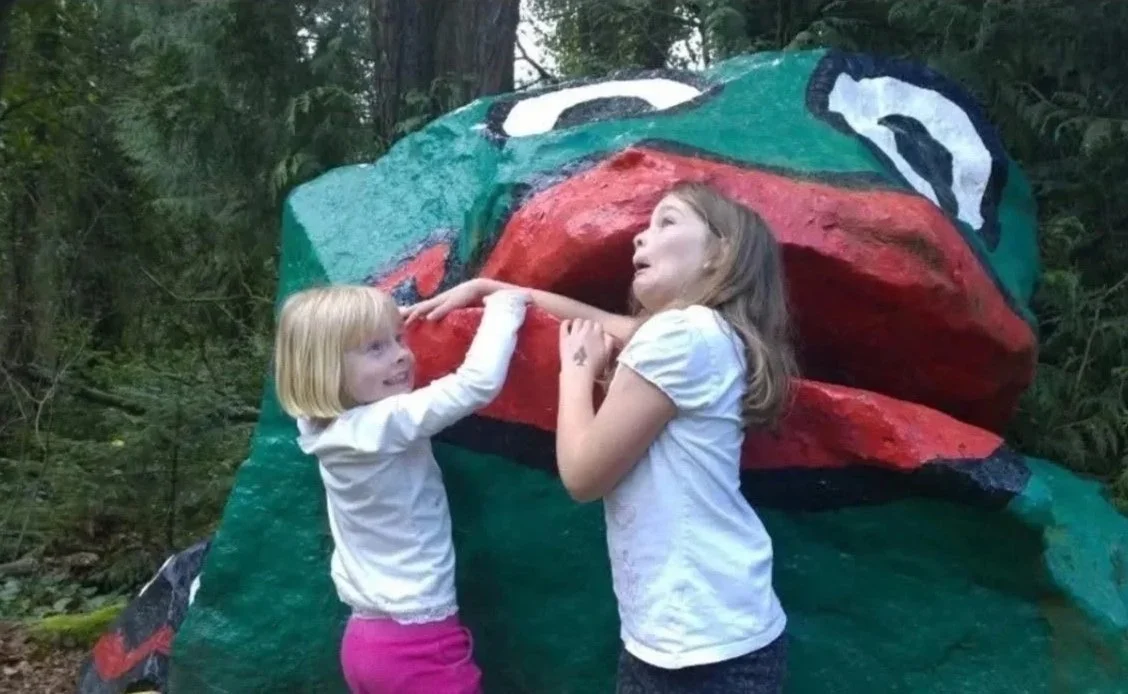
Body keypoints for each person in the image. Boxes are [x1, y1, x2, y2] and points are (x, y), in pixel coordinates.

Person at [405, 181, 796, 693]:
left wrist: (577, 372)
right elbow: (603, 321)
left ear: (721, 253)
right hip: (687, 632)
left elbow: (583, 474)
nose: (640, 237)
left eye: (667, 222)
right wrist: (491, 291)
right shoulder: (702, 332)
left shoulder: (682, 337)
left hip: (703, 648)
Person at [273, 283, 529, 694]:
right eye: (376, 348)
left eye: (398, 338)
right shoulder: (382, 424)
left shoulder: (321, 428)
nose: (401, 355)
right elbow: (475, 384)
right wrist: (506, 305)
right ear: (327, 370)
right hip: (420, 645)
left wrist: (385, 326)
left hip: (363, 642)